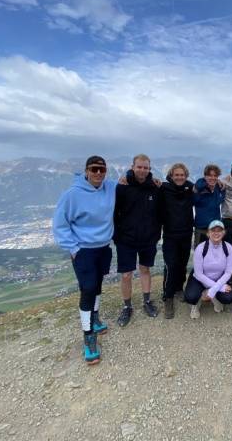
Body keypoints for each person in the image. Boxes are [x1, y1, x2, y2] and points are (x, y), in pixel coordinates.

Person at [53, 155, 115, 365]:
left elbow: (129, 183)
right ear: (86, 171)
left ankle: (95, 318)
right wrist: (73, 248)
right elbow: (60, 223)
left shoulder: (110, 187)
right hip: (83, 251)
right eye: (94, 169)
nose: (98, 173)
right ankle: (89, 337)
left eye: (102, 170)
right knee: (88, 289)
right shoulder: (72, 194)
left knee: (97, 284)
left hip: (103, 248)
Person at [113, 154, 161, 327]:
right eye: (139, 167)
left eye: (145, 167)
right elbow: (114, 212)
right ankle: (127, 306)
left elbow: (160, 213)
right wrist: (117, 235)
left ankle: (147, 302)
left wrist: (156, 234)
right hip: (126, 239)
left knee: (145, 269)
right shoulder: (122, 187)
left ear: (149, 168)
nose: (142, 170)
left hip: (148, 238)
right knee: (126, 275)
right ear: (133, 167)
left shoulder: (155, 187)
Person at [158, 163, 194, 319]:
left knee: (182, 264)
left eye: (182, 175)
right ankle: (168, 296)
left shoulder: (190, 188)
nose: (179, 177)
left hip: (186, 233)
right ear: (171, 176)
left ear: (186, 176)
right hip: (170, 235)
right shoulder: (163, 188)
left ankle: (179, 288)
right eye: (176, 175)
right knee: (171, 265)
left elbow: (204, 185)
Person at [184, 220, 232, 319]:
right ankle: (196, 304)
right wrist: (219, 287)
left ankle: (212, 294)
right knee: (190, 297)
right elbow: (198, 274)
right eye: (213, 230)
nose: (216, 233)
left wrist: (214, 288)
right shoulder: (200, 248)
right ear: (208, 233)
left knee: (228, 298)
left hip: (218, 279)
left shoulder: (228, 248)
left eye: (219, 230)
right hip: (199, 279)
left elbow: (228, 272)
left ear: (223, 233)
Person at [192, 164, 225, 246]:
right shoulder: (199, 189)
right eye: (209, 175)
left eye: (215, 175)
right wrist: (201, 186)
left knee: (217, 254)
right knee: (200, 253)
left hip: (216, 228)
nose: (212, 178)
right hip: (201, 228)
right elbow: (198, 185)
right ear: (205, 176)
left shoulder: (220, 188)